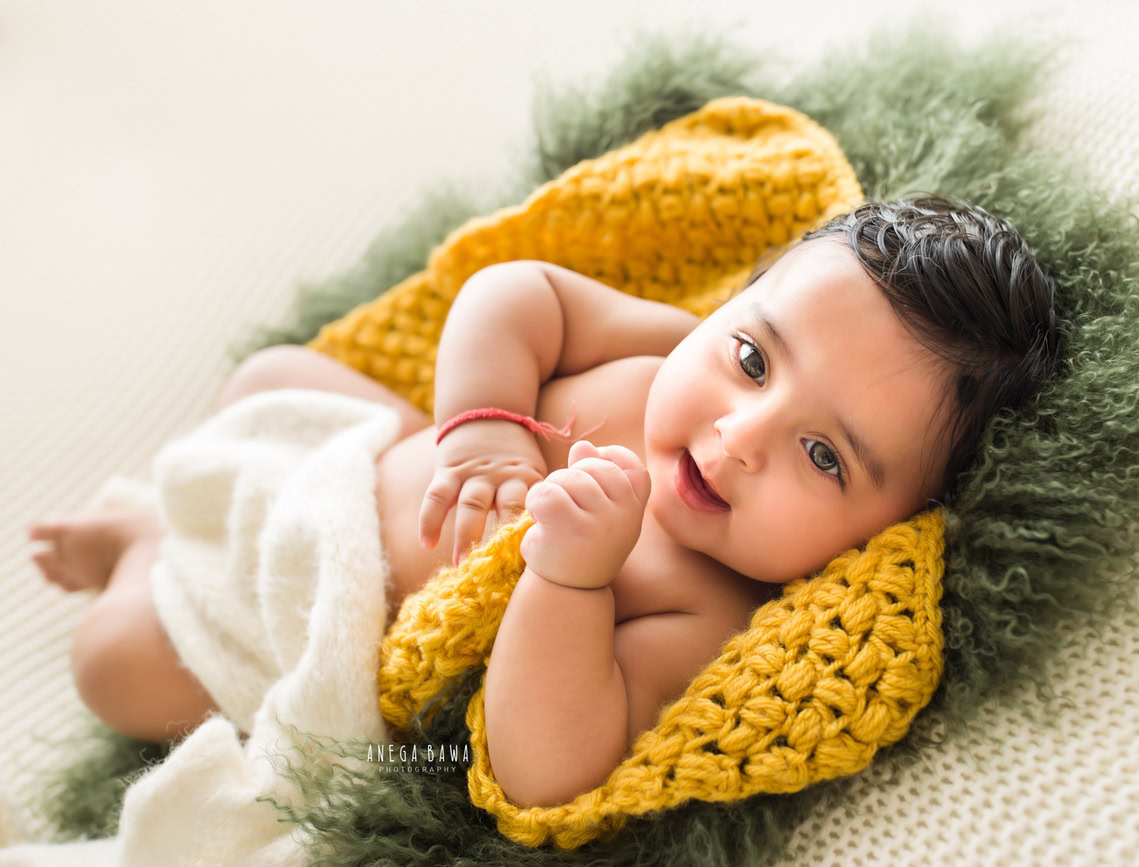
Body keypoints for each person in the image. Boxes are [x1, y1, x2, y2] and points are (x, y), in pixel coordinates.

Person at [26, 196, 1062, 806]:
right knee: (269, 377)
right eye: (751, 356)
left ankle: (143, 542)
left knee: (112, 666)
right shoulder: (658, 346)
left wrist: (571, 579)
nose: (739, 436)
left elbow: (545, 765)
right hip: (376, 452)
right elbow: (519, 292)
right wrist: (482, 422)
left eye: (824, 458)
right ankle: (168, 511)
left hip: (309, 615)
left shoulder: (707, 609)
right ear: (737, 301)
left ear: (884, 534)